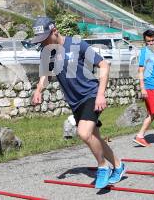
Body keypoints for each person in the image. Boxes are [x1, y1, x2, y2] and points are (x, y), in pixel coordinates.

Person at [31, 17, 126, 189]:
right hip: (75, 102)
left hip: (91, 95)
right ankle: (119, 166)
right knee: (94, 137)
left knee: (83, 133)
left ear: (54, 31)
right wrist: (38, 90)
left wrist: (101, 94)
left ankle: (102, 167)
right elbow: (45, 75)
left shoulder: (76, 44)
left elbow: (104, 65)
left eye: (44, 38)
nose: (43, 43)